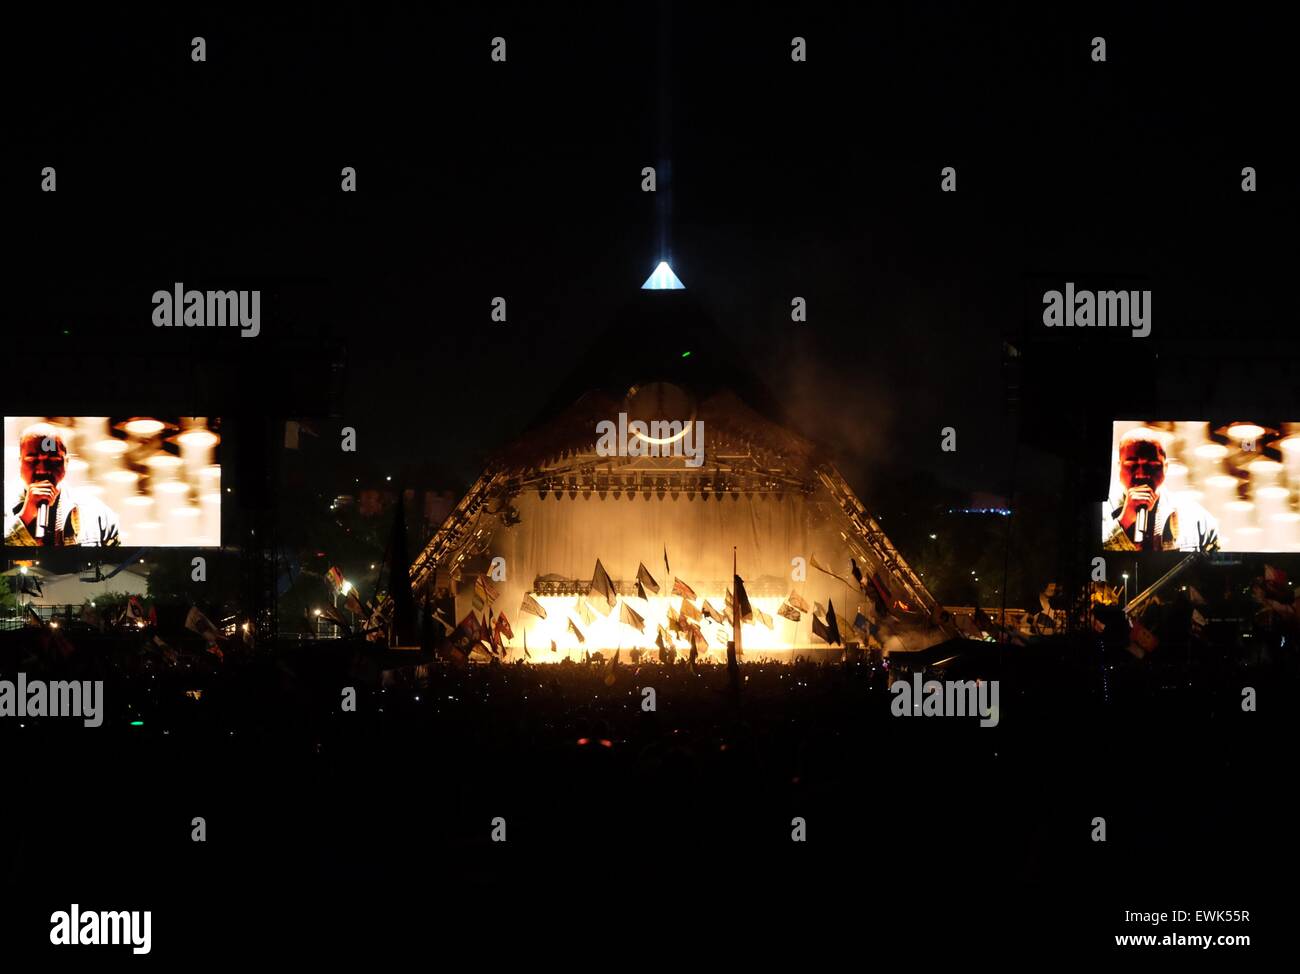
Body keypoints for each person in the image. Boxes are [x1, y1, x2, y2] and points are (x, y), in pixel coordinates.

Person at [1101, 428, 1219, 552]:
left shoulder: (1196, 517)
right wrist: (1125, 520)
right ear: (1119, 467)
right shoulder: (1100, 512)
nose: (1142, 474)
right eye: (1132, 465)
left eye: (1152, 466)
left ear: (1165, 467)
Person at [3, 423, 121, 546]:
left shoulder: (97, 513)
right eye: (33, 460)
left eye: (53, 460)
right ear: (20, 462)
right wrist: (25, 517)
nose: (43, 470)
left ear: (66, 462)